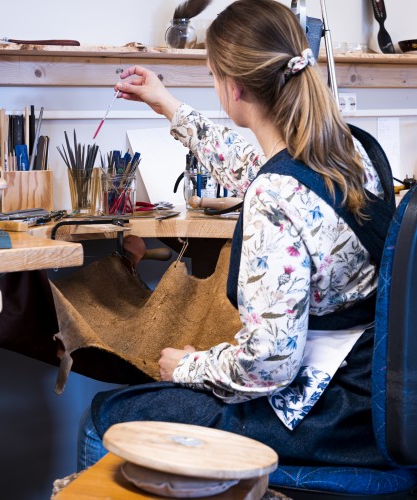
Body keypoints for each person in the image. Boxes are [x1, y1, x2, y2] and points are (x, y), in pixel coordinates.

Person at [77, 0, 395, 471]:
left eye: (211, 75)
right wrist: (168, 106)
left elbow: (269, 366)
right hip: (378, 390)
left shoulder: (276, 195)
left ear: (233, 86)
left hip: (332, 414)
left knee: (107, 419)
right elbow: (263, 173)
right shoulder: (353, 147)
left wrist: (187, 367)